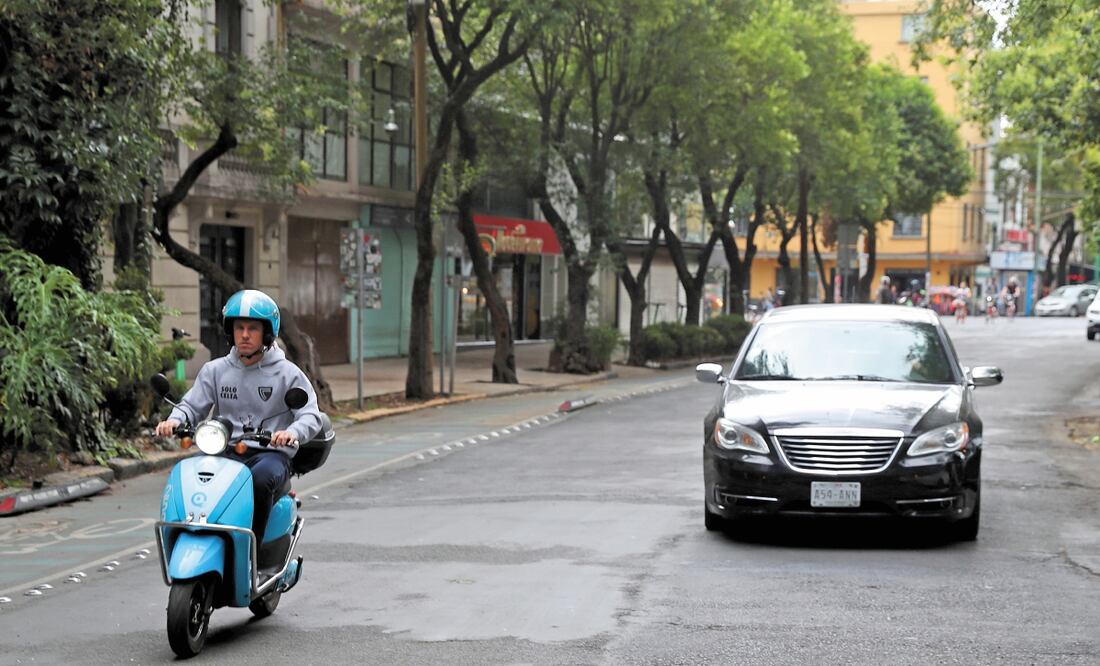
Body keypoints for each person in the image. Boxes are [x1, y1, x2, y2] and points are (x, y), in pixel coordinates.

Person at [155, 289, 323, 549]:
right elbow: (191, 406)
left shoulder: (288, 374)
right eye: (239, 327)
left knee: (260, 480)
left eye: (252, 328)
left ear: (267, 333)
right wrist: (174, 421)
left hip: (269, 454)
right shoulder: (215, 370)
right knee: (188, 476)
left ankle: (249, 551)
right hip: (224, 451)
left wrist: (293, 432)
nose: (244, 335)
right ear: (230, 331)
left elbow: (310, 415)